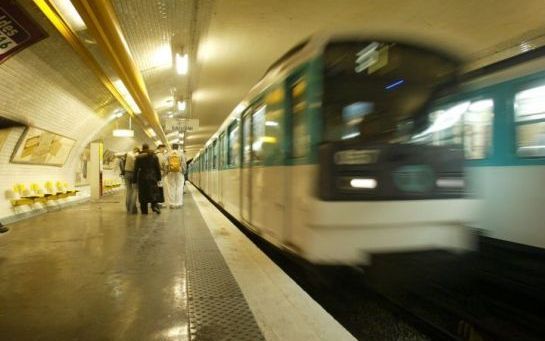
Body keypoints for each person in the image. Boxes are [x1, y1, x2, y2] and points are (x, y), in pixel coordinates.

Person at [133, 144, 162, 214]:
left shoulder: (138, 157)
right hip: (152, 176)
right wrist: (159, 177)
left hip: (142, 176)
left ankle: (144, 211)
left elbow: (136, 169)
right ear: (148, 148)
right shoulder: (154, 156)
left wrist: (134, 180)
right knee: (153, 192)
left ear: (142, 149)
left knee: (143, 194)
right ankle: (154, 205)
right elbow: (157, 168)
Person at [165, 143, 186, 208]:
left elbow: (165, 163)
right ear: (178, 147)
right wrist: (183, 172)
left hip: (170, 172)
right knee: (179, 187)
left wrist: (167, 171)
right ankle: (178, 203)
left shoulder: (168, 154)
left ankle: (172, 203)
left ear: (171, 147)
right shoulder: (181, 154)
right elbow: (184, 164)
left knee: (171, 187)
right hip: (179, 172)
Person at [123, 147, 139, 214]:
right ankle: (133, 209)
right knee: (135, 190)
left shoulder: (127, 154)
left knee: (128, 190)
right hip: (133, 174)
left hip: (126, 173)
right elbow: (136, 167)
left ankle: (128, 207)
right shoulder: (136, 156)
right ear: (137, 150)